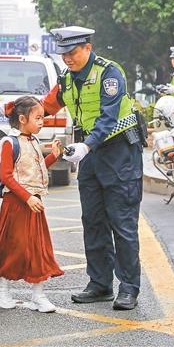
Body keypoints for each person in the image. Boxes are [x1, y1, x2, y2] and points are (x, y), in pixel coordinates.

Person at [40, 26, 144, 311]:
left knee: (122, 222)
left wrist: (86, 146)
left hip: (120, 154)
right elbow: (45, 107)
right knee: (93, 221)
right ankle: (100, 284)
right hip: (90, 155)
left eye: (72, 52)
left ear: (88, 47)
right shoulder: (66, 79)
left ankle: (128, 288)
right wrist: (14, 117)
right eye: (63, 54)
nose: (67, 58)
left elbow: (109, 118)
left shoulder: (109, 73)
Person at [0, 96, 64, 312]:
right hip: (17, 203)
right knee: (14, 248)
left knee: (38, 248)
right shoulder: (9, 143)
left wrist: (53, 156)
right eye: (38, 118)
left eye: (42, 117)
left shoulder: (33, 141)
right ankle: (1, 287)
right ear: (22, 119)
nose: (42, 121)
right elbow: (6, 177)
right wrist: (27, 198)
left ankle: (38, 295)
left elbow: (36, 170)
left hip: (34, 202)